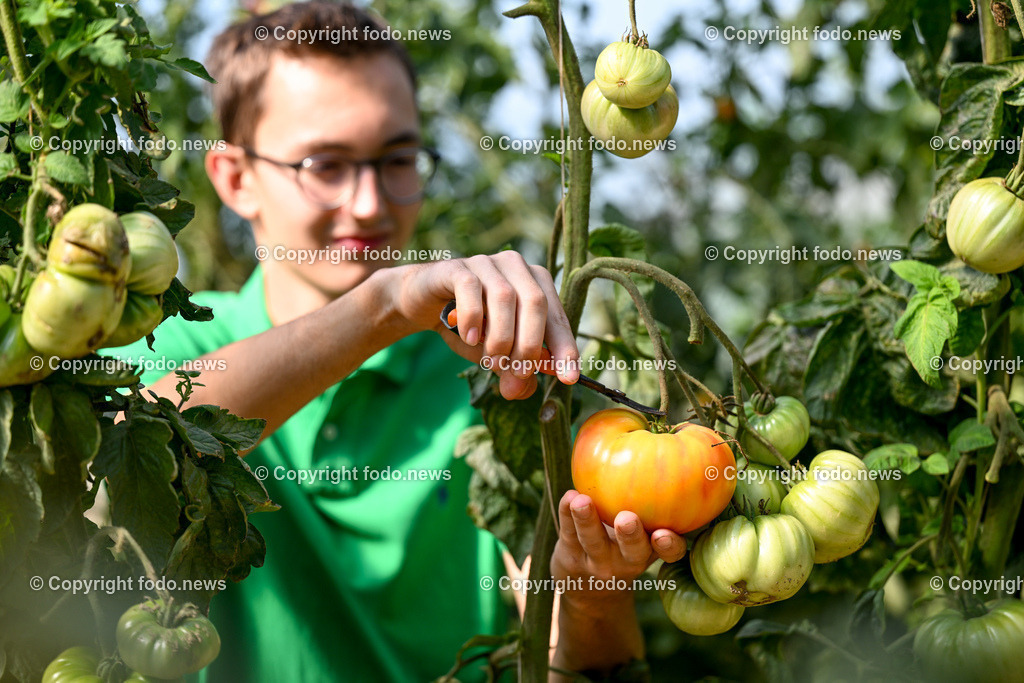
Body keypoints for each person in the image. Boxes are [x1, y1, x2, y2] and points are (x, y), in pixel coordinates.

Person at [118, 2, 686, 680]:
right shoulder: (166, 342)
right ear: (236, 178)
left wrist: (591, 598)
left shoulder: (491, 381)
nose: (368, 204)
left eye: (398, 159)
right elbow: (122, 456)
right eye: (325, 165)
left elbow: (582, 666)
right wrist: (382, 308)